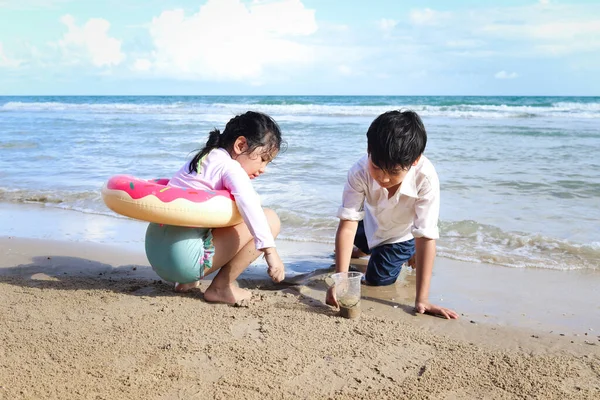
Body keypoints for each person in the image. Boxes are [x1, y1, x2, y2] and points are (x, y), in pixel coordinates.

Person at [326, 110, 459, 319]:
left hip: (401, 235)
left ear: (414, 161)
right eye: (377, 167)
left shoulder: (426, 177)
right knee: (344, 239)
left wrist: (421, 299)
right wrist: (341, 282)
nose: (383, 178)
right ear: (368, 150)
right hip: (369, 223)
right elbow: (348, 224)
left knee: (376, 280)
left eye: (393, 172)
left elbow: (425, 235)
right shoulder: (359, 171)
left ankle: (405, 252)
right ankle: (364, 249)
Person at [145, 111, 285, 305]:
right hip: (184, 260)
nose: (264, 169)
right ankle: (221, 287)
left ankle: (186, 282)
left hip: (156, 253)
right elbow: (249, 205)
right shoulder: (230, 167)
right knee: (270, 219)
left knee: (211, 216)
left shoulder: (201, 159)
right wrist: (271, 252)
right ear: (241, 145)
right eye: (263, 159)